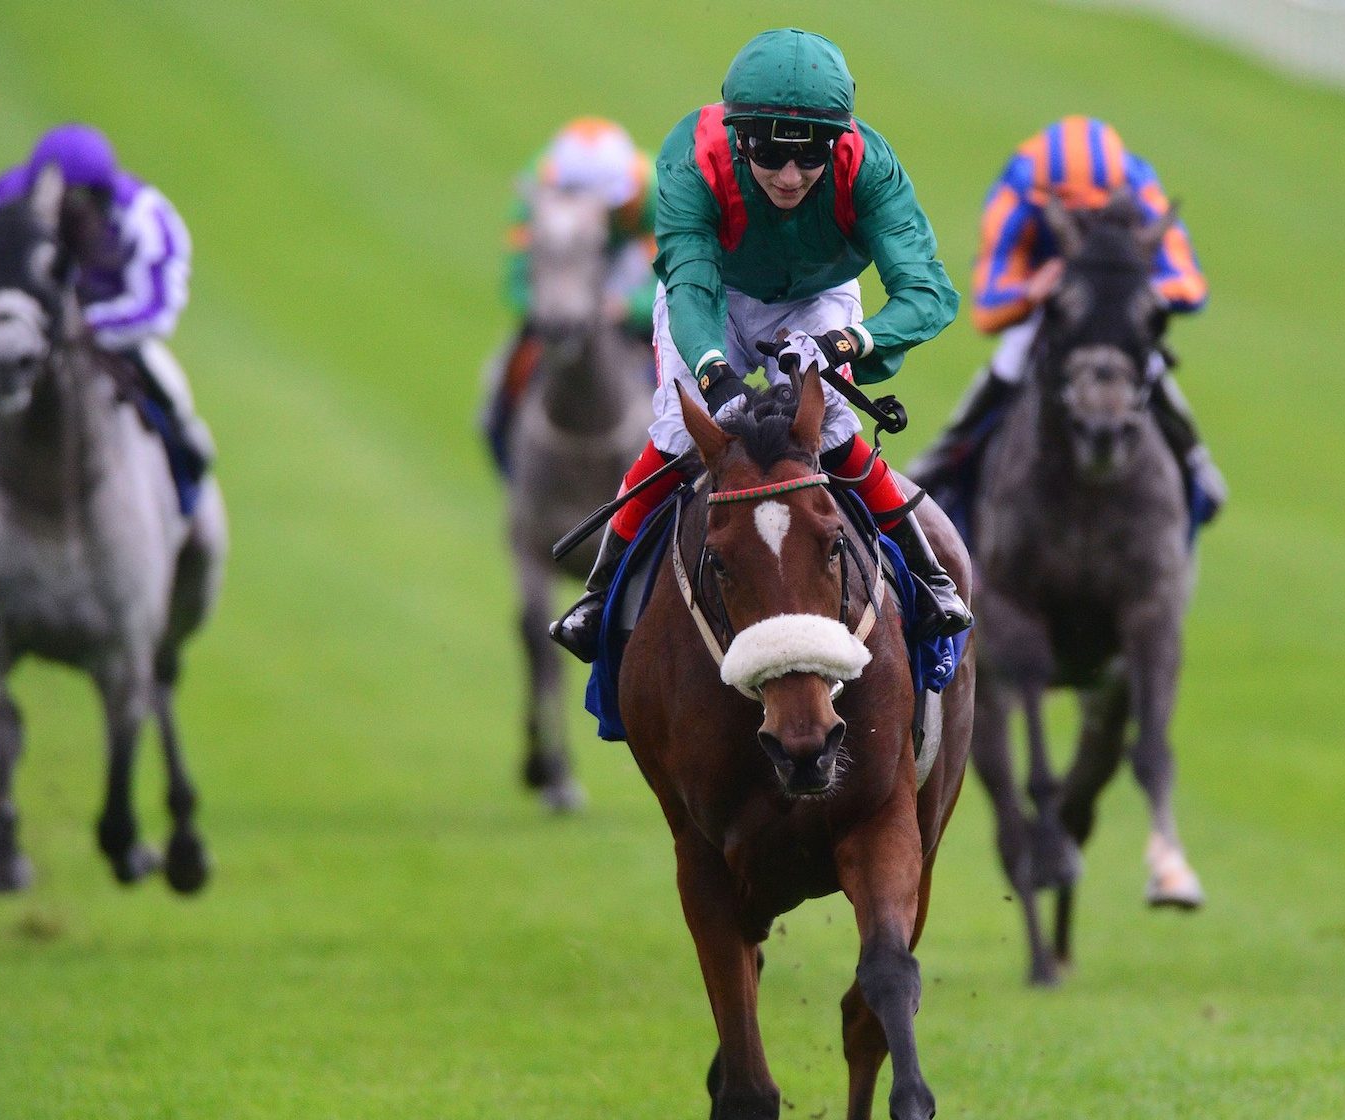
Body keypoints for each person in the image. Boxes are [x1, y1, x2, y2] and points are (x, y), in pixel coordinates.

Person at [550, 28, 968, 664]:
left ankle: (930, 576)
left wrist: (847, 340)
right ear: (739, 138)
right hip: (711, 290)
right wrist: (714, 373)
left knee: (827, 429)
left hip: (818, 297)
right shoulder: (692, 157)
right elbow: (690, 285)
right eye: (770, 155)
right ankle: (599, 591)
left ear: (838, 141)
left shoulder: (870, 167)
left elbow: (929, 292)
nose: (791, 177)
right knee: (682, 431)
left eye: (811, 155)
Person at [0, 123, 211, 530]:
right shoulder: (3, 203)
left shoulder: (146, 216)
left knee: (170, 388)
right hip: (19, 331)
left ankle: (186, 484)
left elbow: (158, 307)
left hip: (113, 334)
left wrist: (81, 329)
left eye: (79, 203)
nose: (68, 215)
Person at [930, 115, 1225, 531]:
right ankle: (943, 462)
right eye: (1070, 210)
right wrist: (1032, 292)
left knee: (1150, 366)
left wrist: (1133, 290)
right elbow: (987, 308)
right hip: (1051, 309)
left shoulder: (1140, 186)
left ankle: (1194, 461)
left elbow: (1190, 284)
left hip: (1116, 306)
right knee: (1009, 362)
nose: (1085, 219)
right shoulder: (1018, 189)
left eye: (1096, 209)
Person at [482, 117, 659, 471]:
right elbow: (518, 277)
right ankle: (505, 445)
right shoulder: (538, 188)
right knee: (506, 374)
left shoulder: (655, 191)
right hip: (563, 280)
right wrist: (549, 309)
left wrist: (630, 308)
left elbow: (676, 275)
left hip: (630, 277)